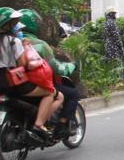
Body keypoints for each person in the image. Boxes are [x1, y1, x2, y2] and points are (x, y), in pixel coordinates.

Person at [0, 7, 60, 135]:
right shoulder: (14, 41)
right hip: (12, 83)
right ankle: (39, 124)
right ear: (8, 24)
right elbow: (22, 64)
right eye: (14, 22)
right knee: (50, 92)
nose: (16, 24)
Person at [18, 8, 79, 138]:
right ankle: (62, 125)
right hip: (35, 84)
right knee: (72, 94)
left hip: (12, 85)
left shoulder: (8, 43)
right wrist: (71, 66)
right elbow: (56, 68)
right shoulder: (40, 45)